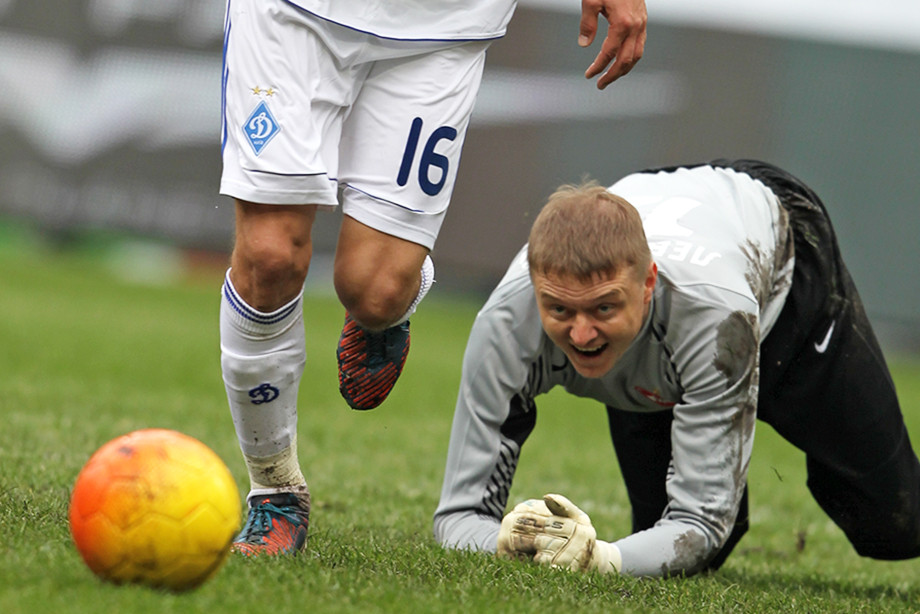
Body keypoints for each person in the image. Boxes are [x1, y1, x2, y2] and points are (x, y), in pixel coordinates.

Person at [218, 0, 649, 556]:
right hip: (294, 14)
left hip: (443, 25)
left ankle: (396, 305)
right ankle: (275, 492)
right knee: (270, 257)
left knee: (375, 292)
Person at [433, 159, 920, 577]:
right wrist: (508, 541)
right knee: (677, 551)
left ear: (648, 283)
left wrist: (598, 562)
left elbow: (702, 522)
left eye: (603, 308)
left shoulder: (713, 315)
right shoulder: (505, 322)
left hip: (782, 276)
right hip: (665, 292)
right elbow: (458, 516)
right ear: (536, 288)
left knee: (896, 523)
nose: (580, 335)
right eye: (559, 310)